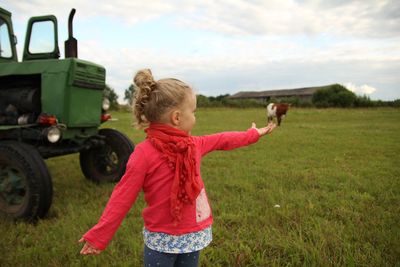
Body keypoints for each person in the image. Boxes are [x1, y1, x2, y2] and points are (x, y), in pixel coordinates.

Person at [79, 69, 276, 266]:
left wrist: (253, 134)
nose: (195, 116)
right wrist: (100, 235)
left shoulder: (193, 144)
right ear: (177, 118)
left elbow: (223, 139)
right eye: (193, 111)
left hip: (192, 236)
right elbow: (123, 196)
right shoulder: (144, 154)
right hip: (161, 241)